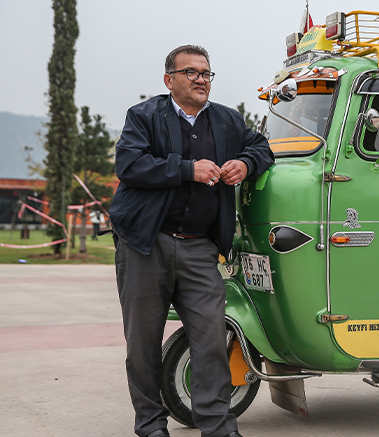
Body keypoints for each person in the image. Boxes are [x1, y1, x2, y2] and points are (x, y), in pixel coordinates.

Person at [109, 44, 274, 437]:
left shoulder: (228, 120)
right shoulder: (144, 116)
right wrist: (187, 169)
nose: (201, 79)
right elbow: (129, 165)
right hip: (146, 244)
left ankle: (218, 426)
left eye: (206, 73)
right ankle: (151, 425)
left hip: (200, 247)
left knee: (211, 338)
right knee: (143, 344)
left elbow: (262, 148)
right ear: (170, 80)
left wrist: (245, 163)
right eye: (191, 72)